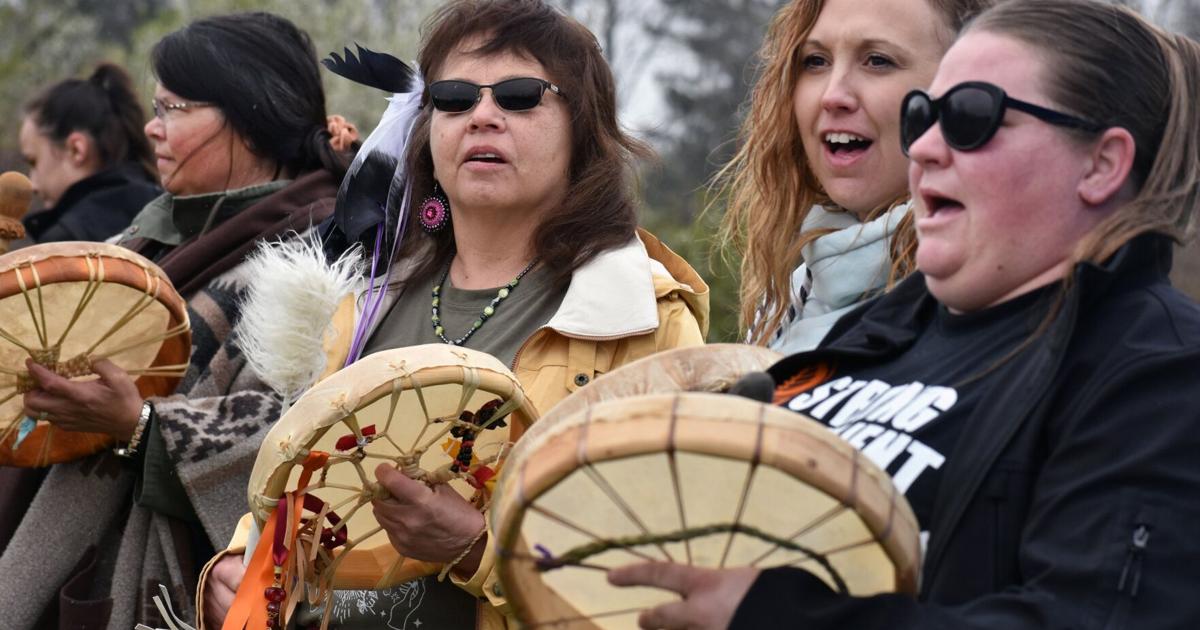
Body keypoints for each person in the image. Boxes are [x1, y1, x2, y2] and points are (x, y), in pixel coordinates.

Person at [608, 0, 1200, 628]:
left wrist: (771, 615)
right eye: (923, 118)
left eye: (972, 117)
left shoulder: (1158, 372)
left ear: (1102, 164)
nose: (924, 150)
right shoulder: (867, 335)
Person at [200, 1, 709, 628]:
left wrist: (476, 550)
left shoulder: (647, 326)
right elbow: (289, 495)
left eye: (521, 96)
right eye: (454, 97)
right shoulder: (360, 307)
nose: (483, 117)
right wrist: (236, 568)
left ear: (583, 130)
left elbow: (666, 580)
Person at [0, 12, 354, 629]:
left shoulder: (318, 258)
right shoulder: (143, 235)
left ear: (249, 117)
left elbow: (295, 439)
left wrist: (139, 425)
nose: (150, 128)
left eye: (173, 108)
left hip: (177, 582)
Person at [718, 0, 992, 353]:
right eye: (815, 61)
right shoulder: (792, 296)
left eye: (877, 60)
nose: (833, 95)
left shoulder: (992, 294)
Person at [17, 62, 160, 242]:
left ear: (76, 150)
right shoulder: (167, 211)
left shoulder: (64, 246)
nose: (32, 185)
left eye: (33, 161)